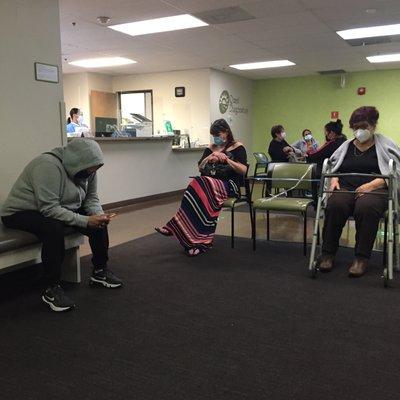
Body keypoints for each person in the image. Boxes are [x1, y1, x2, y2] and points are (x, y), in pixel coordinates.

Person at [1, 138, 123, 312]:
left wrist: (97, 215)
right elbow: (49, 208)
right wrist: (85, 220)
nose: (91, 173)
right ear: (77, 161)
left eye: (94, 170)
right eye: (88, 170)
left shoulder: (90, 168)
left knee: (99, 223)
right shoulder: (47, 166)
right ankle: (50, 288)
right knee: (53, 229)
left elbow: (91, 198)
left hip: (57, 208)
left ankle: (100, 271)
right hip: (20, 212)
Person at [318, 106, 400, 277]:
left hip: (377, 189)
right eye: (355, 127)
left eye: (363, 127)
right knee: (335, 204)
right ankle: (327, 253)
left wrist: (373, 185)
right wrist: (333, 179)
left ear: (373, 126)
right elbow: (333, 167)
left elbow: (396, 171)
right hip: (346, 187)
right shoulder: (346, 146)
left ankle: (361, 258)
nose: (359, 131)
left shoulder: (386, 144)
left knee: (366, 207)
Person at [155, 119, 247, 256]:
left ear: (226, 132)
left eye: (218, 134)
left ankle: (184, 232)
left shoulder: (238, 147)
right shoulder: (211, 148)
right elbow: (200, 167)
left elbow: (243, 170)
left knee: (202, 183)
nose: (216, 138)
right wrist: (211, 156)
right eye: (214, 135)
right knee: (196, 184)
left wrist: (226, 159)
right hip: (208, 184)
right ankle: (180, 228)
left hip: (229, 185)